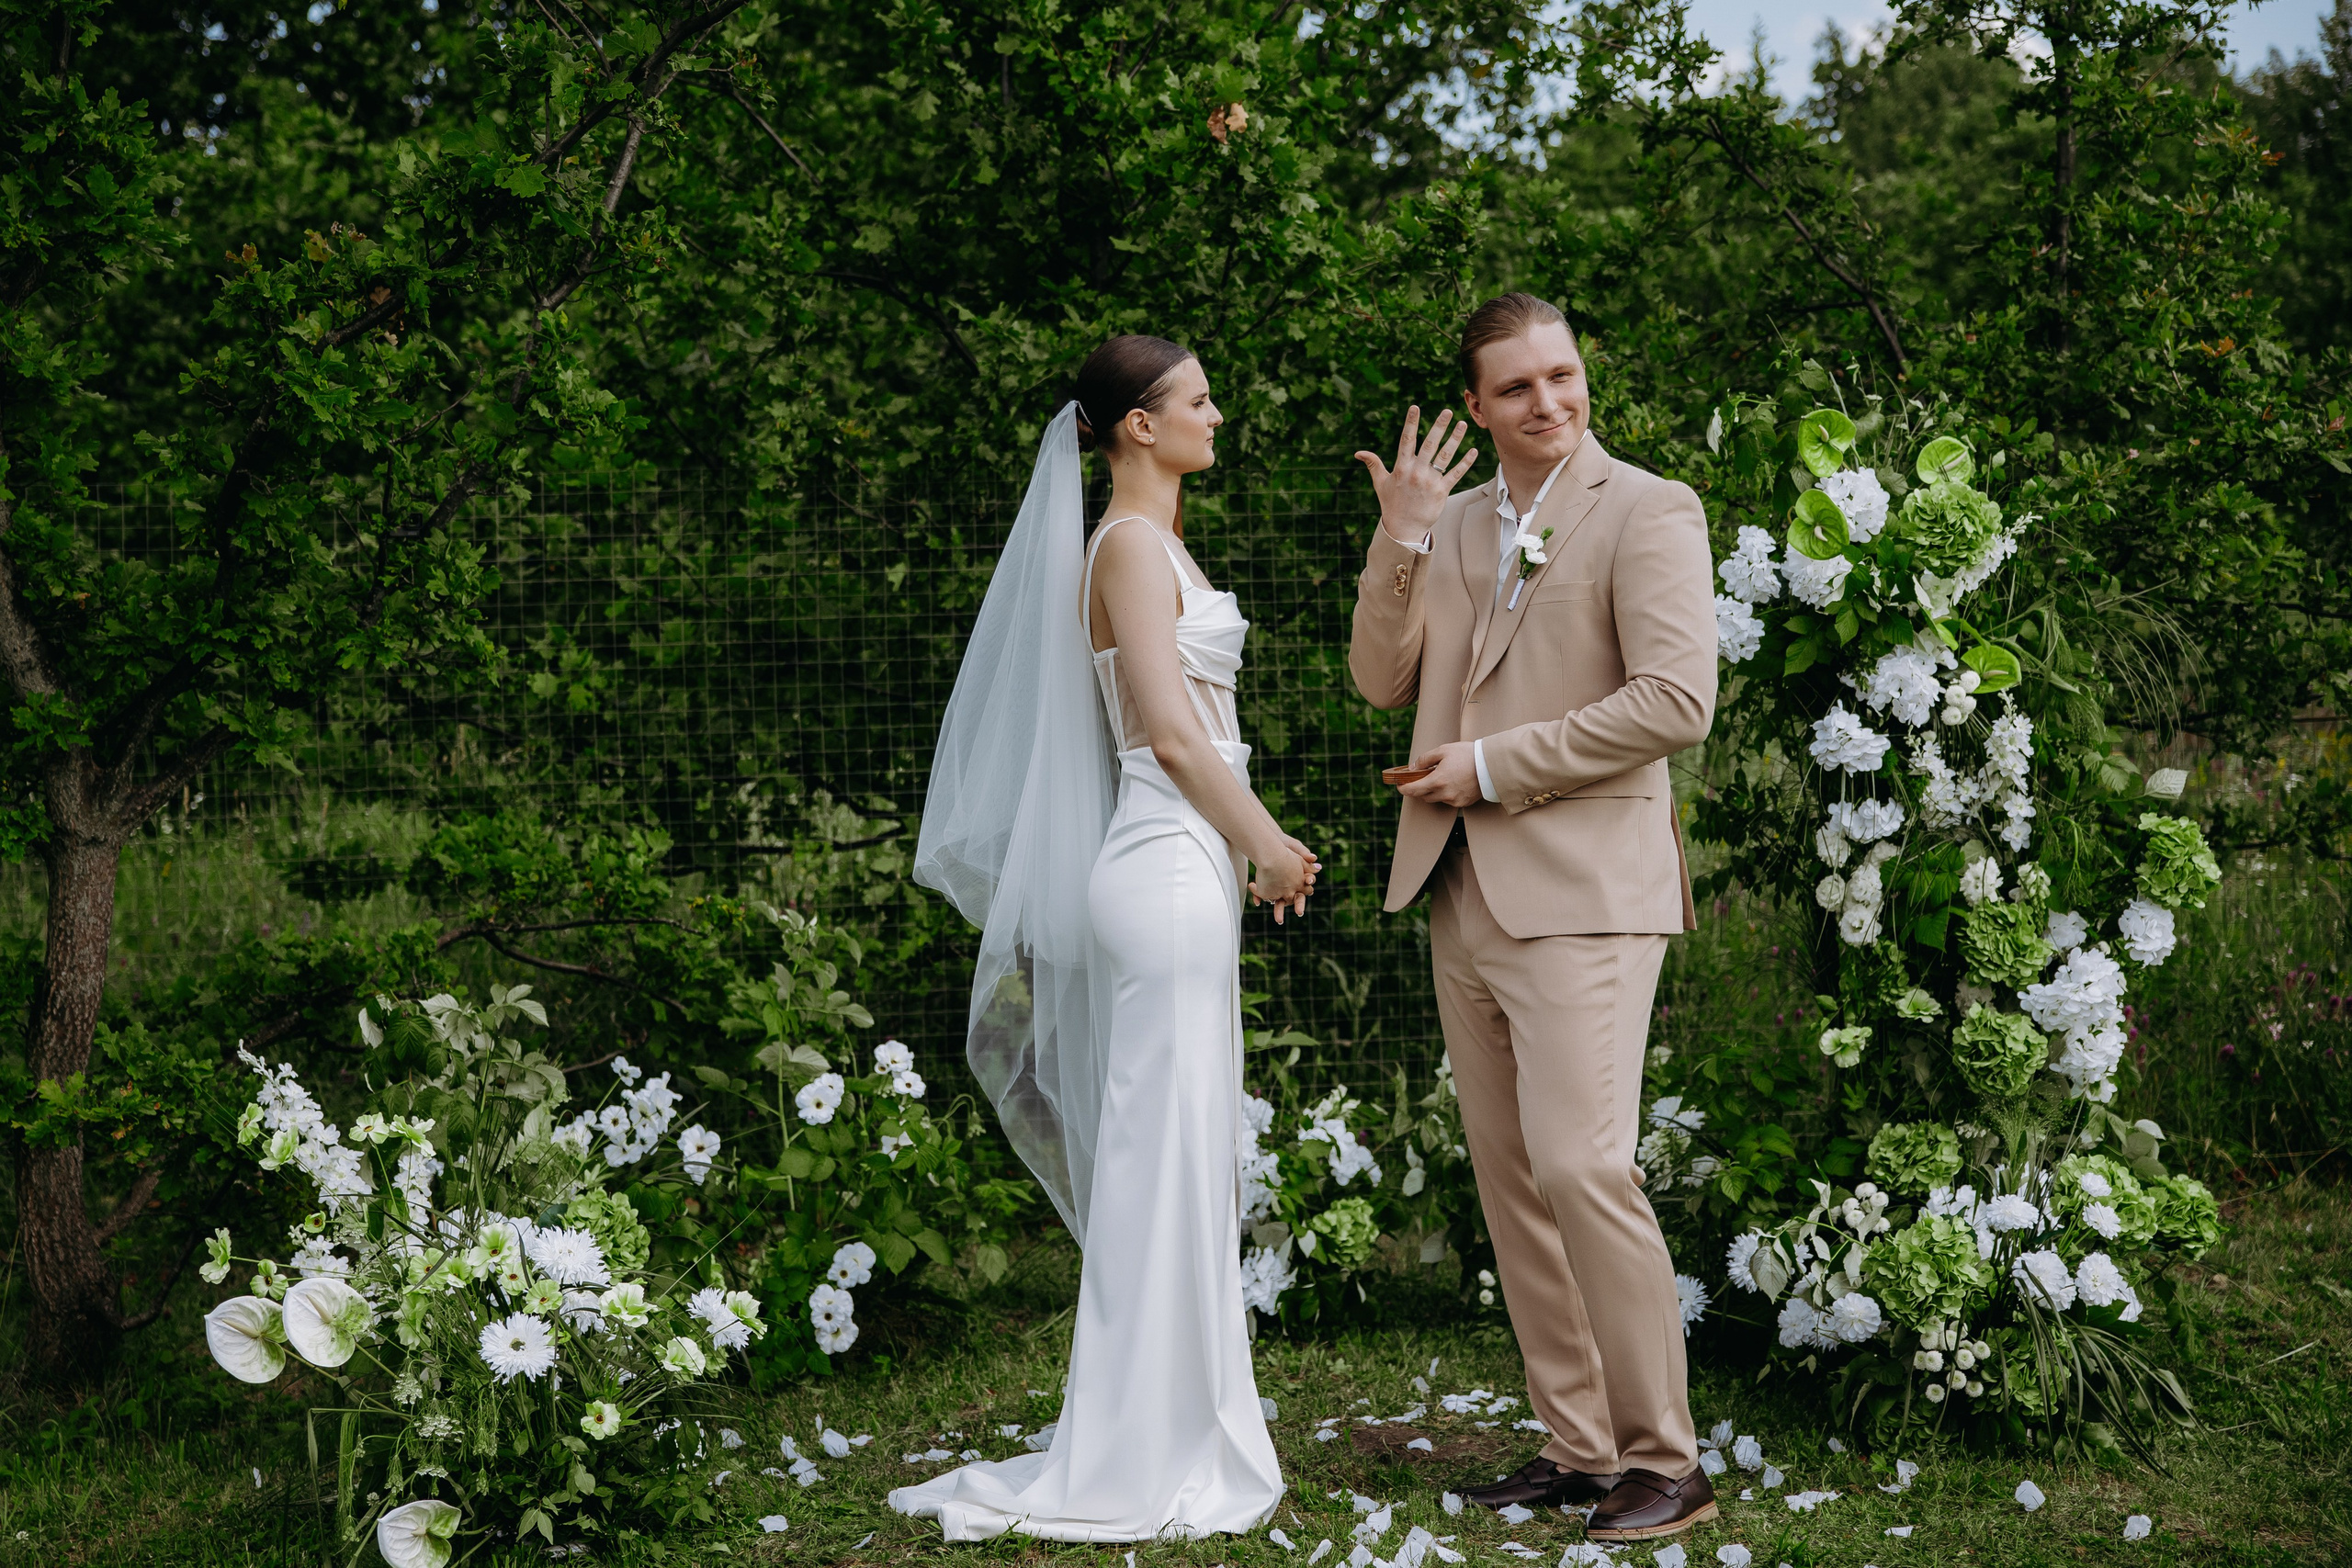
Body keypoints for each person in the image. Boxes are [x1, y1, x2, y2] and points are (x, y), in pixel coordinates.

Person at [898, 335, 1316, 1542]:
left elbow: (1203, 737)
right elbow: (1175, 741)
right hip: (1160, 858)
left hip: (1188, 860)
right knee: (1155, 1158)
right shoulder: (1127, 547)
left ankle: (1181, 1422)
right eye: (1196, 399)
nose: (1217, 413)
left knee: (1184, 1151)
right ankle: (1139, 1443)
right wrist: (1272, 844)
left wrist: (1236, 846)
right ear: (1137, 425)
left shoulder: (1161, 544)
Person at [1347, 294, 1719, 1542]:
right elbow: (1379, 679)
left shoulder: (1650, 509)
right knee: (1514, 1183)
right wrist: (1397, 541)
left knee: (1582, 1165)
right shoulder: (1448, 526)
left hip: (1589, 894)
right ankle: (1580, 1450)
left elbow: (1675, 700)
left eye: (1561, 375)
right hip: (1460, 888)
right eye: (1516, 388)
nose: (1548, 402)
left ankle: (1667, 1460)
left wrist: (1496, 765)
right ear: (1476, 407)